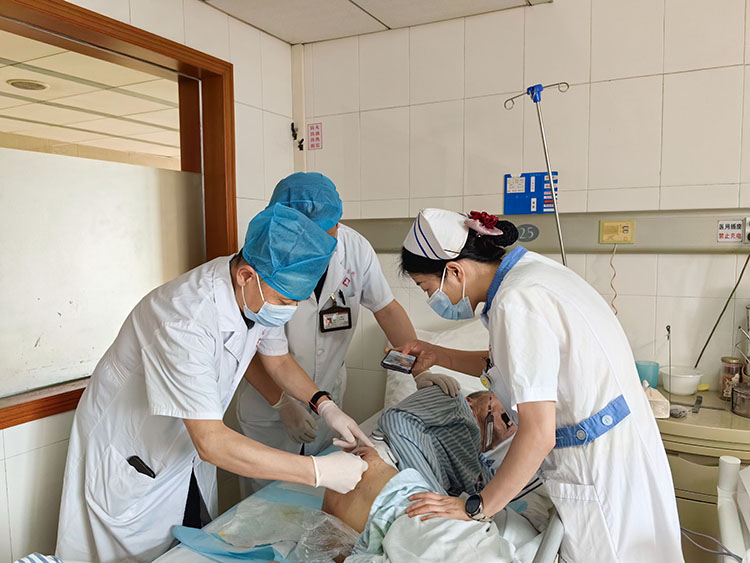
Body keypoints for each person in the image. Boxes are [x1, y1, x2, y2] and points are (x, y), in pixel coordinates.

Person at [56, 203, 372, 562]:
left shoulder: (256, 293)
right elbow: (211, 442)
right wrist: (318, 471)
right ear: (246, 276)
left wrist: (324, 404)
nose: (289, 310)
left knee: (191, 541)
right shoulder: (185, 319)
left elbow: (278, 360)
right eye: (285, 301)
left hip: (181, 453)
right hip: (134, 456)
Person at [397, 208, 683, 562]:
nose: (432, 299)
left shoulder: (515, 302)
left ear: (454, 271)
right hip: (621, 454)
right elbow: (512, 364)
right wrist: (438, 354)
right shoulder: (532, 273)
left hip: (596, 471)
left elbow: (537, 434)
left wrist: (477, 506)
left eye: (427, 288)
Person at [236, 173, 456, 493]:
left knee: (320, 495)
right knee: (263, 503)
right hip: (268, 409)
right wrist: (281, 402)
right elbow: (249, 346)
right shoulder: (262, 258)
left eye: (329, 231)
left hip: (327, 402)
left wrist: (418, 369)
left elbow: (387, 309)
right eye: (308, 236)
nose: (321, 246)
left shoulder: (354, 248)